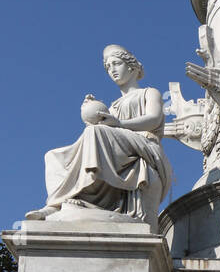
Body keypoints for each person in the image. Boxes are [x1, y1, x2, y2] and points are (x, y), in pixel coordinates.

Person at [27, 46, 172, 227]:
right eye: (108, 66)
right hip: (118, 145)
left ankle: (80, 192)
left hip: (145, 144)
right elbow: (103, 132)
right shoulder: (113, 106)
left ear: (132, 67)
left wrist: (118, 124)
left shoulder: (150, 92)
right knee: (53, 156)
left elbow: (154, 118)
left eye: (116, 63)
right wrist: (91, 112)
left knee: (95, 132)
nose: (112, 70)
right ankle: (56, 204)